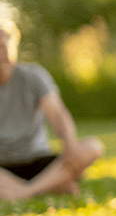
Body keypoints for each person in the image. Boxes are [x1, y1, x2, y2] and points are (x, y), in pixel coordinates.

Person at [0, 19, 104, 201]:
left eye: (5, 44)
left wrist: (70, 145)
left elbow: (57, 114)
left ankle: (24, 192)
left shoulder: (33, 76)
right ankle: (54, 185)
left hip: (38, 161)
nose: (2, 51)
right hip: (3, 168)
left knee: (92, 146)